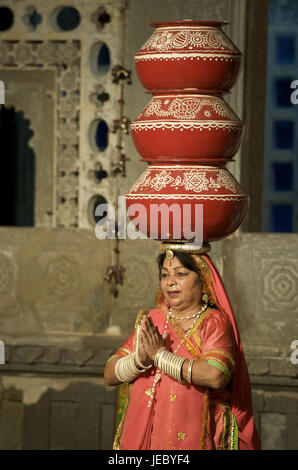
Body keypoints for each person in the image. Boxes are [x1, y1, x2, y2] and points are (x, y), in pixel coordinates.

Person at [104, 245, 261, 450]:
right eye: (165, 275)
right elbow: (109, 374)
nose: (170, 282)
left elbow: (215, 374)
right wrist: (139, 360)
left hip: (200, 437)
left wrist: (160, 357)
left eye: (180, 274)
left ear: (203, 278)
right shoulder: (153, 320)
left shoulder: (214, 322)